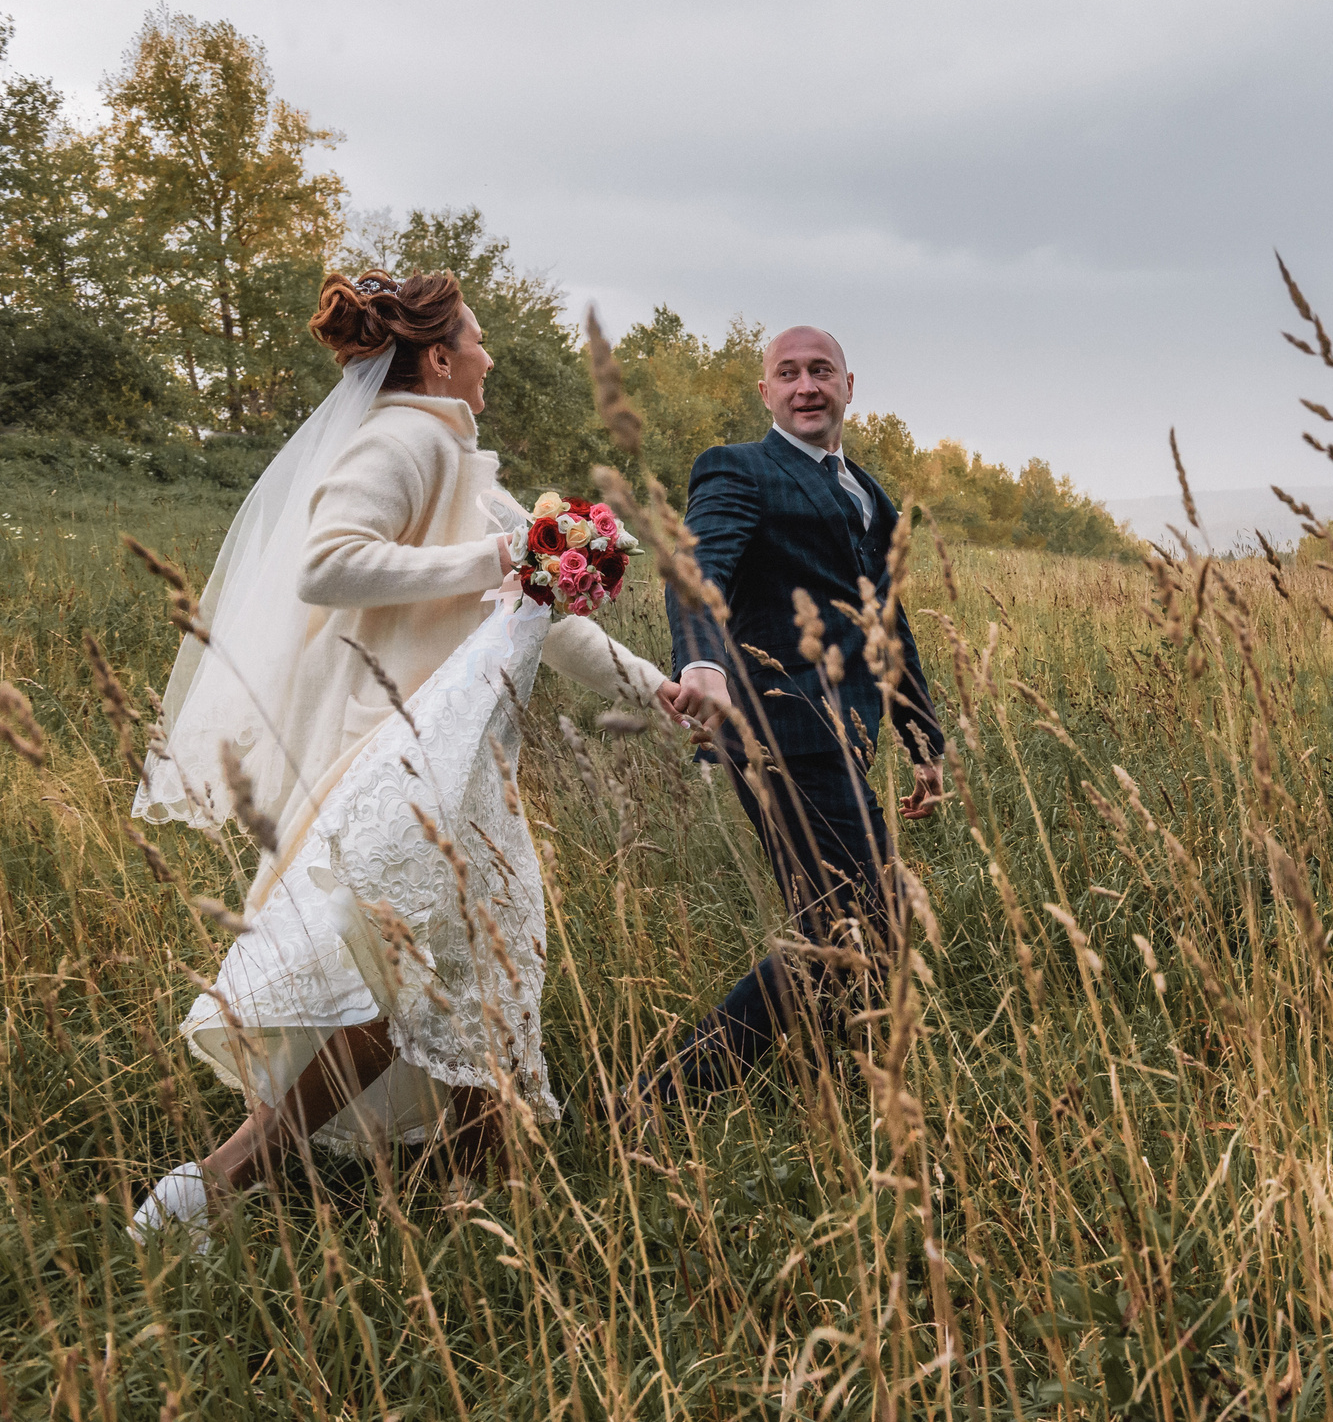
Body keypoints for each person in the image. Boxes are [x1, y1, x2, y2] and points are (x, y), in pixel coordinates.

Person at [129, 270, 703, 1248]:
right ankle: (211, 1186)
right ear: (438, 357)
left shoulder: (465, 466)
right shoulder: (399, 438)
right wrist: (495, 559)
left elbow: (543, 611)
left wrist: (658, 690)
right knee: (399, 984)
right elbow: (328, 560)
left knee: (476, 973)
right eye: (475, 339)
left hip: (457, 764)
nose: (488, 355)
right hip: (394, 756)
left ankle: (474, 1210)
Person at [640, 325, 943, 1108]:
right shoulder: (738, 469)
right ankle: (662, 1096)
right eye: (788, 373)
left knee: (850, 926)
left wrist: (921, 739)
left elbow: (886, 621)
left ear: (850, 385)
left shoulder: (865, 490)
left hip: (845, 736)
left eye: (820, 371)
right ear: (765, 392)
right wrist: (702, 663)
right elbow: (696, 568)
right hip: (779, 732)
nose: (806, 385)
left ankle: (835, 1079)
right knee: (862, 923)